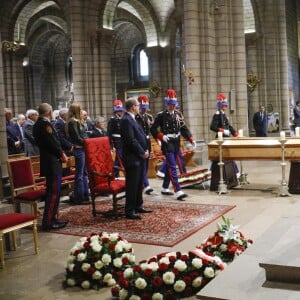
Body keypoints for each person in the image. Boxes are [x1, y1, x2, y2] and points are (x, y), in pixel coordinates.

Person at [150, 89, 196, 201]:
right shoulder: (161, 115)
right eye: (170, 104)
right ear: (167, 104)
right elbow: (153, 128)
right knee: (172, 167)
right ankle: (178, 190)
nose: (172, 106)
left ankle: (165, 187)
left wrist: (190, 139)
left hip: (176, 142)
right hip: (168, 142)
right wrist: (161, 136)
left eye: (174, 104)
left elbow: (183, 128)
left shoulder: (178, 114)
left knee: (171, 165)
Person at [32, 102, 68, 230]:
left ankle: (52, 219)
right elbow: (53, 143)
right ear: (49, 112)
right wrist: (62, 154)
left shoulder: (37, 124)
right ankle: (48, 222)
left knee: (53, 192)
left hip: (48, 162)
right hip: (52, 162)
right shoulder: (45, 124)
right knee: (53, 193)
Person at [120, 97, 152, 219]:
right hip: (132, 157)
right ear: (133, 107)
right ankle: (129, 210)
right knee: (132, 184)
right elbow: (131, 140)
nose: (139, 107)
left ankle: (138, 205)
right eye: (138, 105)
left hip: (139, 156)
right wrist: (141, 152)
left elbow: (141, 136)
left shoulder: (133, 118)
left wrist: (146, 149)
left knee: (139, 183)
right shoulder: (127, 120)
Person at [209, 93, 239, 191]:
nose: (226, 106)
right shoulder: (217, 115)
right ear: (221, 105)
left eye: (226, 105)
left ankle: (232, 177)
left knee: (228, 158)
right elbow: (212, 127)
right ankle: (223, 178)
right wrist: (222, 130)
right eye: (224, 105)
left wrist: (234, 132)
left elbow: (228, 126)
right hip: (220, 139)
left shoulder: (223, 114)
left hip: (226, 138)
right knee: (220, 159)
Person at [66, 103, 90, 204]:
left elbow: (84, 134)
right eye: (80, 110)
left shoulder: (79, 121)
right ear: (76, 111)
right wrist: (87, 142)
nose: (81, 111)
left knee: (84, 173)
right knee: (79, 174)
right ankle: (79, 197)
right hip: (79, 149)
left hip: (83, 148)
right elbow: (77, 137)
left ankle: (85, 195)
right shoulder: (72, 122)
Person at [135, 94, 155, 195]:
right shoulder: (135, 117)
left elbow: (151, 130)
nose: (144, 110)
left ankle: (142, 182)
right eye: (142, 108)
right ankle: (146, 185)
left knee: (146, 164)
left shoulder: (148, 117)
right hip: (140, 142)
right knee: (142, 163)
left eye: (145, 108)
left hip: (147, 141)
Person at [107, 99, 125, 177]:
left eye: (121, 111)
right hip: (117, 142)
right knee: (119, 158)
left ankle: (115, 175)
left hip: (122, 141)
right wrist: (111, 145)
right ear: (116, 111)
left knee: (119, 159)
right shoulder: (113, 120)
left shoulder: (121, 119)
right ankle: (114, 174)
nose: (121, 112)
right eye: (119, 111)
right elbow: (109, 133)